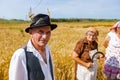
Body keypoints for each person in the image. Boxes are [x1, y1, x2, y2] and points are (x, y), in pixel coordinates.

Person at [9, 13, 57, 80]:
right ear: (31, 32)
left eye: (48, 32)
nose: (45, 37)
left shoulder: (48, 49)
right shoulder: (21, 55)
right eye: (40, 32)